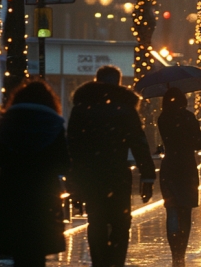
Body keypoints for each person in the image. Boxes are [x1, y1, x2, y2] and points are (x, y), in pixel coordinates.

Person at [67, 65, 156, 267]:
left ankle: (99, 261)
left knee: (96, 220)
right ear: (118, 82)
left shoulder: (82, 108)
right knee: (120, 222)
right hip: (117, 173)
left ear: (96, 80)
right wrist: (147, 175)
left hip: (91, 174)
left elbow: (72, 144)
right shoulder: (125, 109)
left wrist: (74, 180)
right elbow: (138, 143)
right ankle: (116, 261)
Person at [0, 79, 70, 266]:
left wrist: (4, 171)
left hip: (13, 190)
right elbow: (63, 162)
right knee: (38, 245)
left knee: (18, 245)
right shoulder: (53, 124)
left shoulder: (7, 122)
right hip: (44, 193)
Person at [157, 87, 201, 266]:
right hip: (187, 167)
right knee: (185, 211)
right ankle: (181, 254)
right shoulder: (189, 117)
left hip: (169, 166)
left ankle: (173, 252)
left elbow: (166, 140)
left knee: (171, 209)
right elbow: (199, 143)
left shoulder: (162, 118)